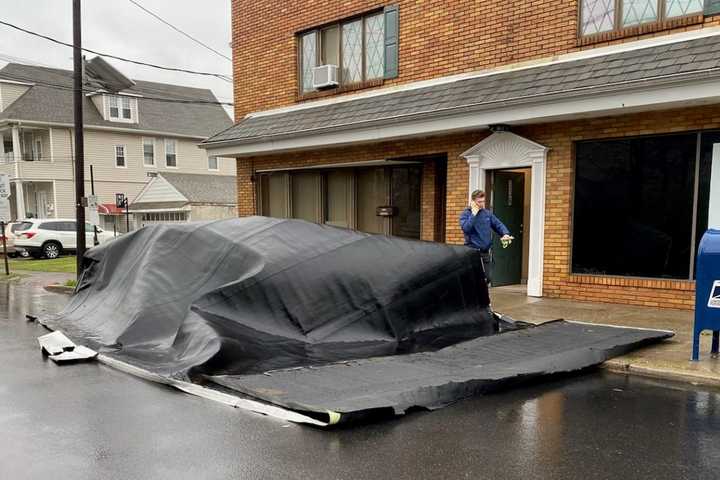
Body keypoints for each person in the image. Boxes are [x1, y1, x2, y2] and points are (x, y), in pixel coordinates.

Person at [459, 190, 513, 286]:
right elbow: (466, 228)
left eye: (483, 201)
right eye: (479, 202)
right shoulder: (466, 214)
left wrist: (505, 234)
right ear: (473, 202)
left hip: (485, 252)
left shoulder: (487, 214)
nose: (482, 204)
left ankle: (481, 299)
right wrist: (473, 214)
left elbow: (498, 224)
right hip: (472, 252)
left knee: (487, 278)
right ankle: (478, 299)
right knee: (474, 279)